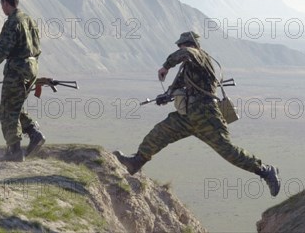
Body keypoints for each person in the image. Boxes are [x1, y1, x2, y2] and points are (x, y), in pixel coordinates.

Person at [114, 32, 281, 196]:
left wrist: (166, 66)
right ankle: (135, 162)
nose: (181, 48)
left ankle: (266, 171)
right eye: (180, 46)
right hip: (187, 116)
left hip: (206, 115)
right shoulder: (187, 68)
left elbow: (186, 53)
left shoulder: (198, 56)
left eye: (182, 45)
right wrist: (165, 96)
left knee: (227, 150)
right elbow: (177, 87)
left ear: (190, 45)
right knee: (159, 133)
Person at [0, 0, 45, 162]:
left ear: (6, 3)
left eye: (2, 3)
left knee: (7, 110)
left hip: (17, 71)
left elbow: (1, 50)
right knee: (16, 106)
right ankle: (34, 133)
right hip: (31, 69)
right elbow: (37, 48)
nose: (2, 7)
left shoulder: (12, 22)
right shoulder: (29, 20)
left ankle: (14, 151)